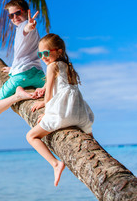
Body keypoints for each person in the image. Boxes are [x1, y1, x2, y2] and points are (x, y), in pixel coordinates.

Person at [27, 33, 94, 186]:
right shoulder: (67, 66)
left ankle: (55, 164)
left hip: (63, 113)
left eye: (46, 53)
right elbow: (62, 88)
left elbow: (50, 92)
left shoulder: (51, 66)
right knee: (91, 139)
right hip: (79, 113)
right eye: (40, 54)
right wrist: (42, 89)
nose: (43, 57)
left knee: (31, 136)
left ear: (58, 51)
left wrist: (46, 111)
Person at [0, 0, 46, 116]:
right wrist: (13, 68)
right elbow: (27, 54)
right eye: (11, 16)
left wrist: (29, 26)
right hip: (38, 75)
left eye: (18, 13)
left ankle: (17, 96)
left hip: (22, 76)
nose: (15, 17)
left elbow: (26, 29)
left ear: (26, 12)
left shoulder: (24, 26)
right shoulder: (29, 30)